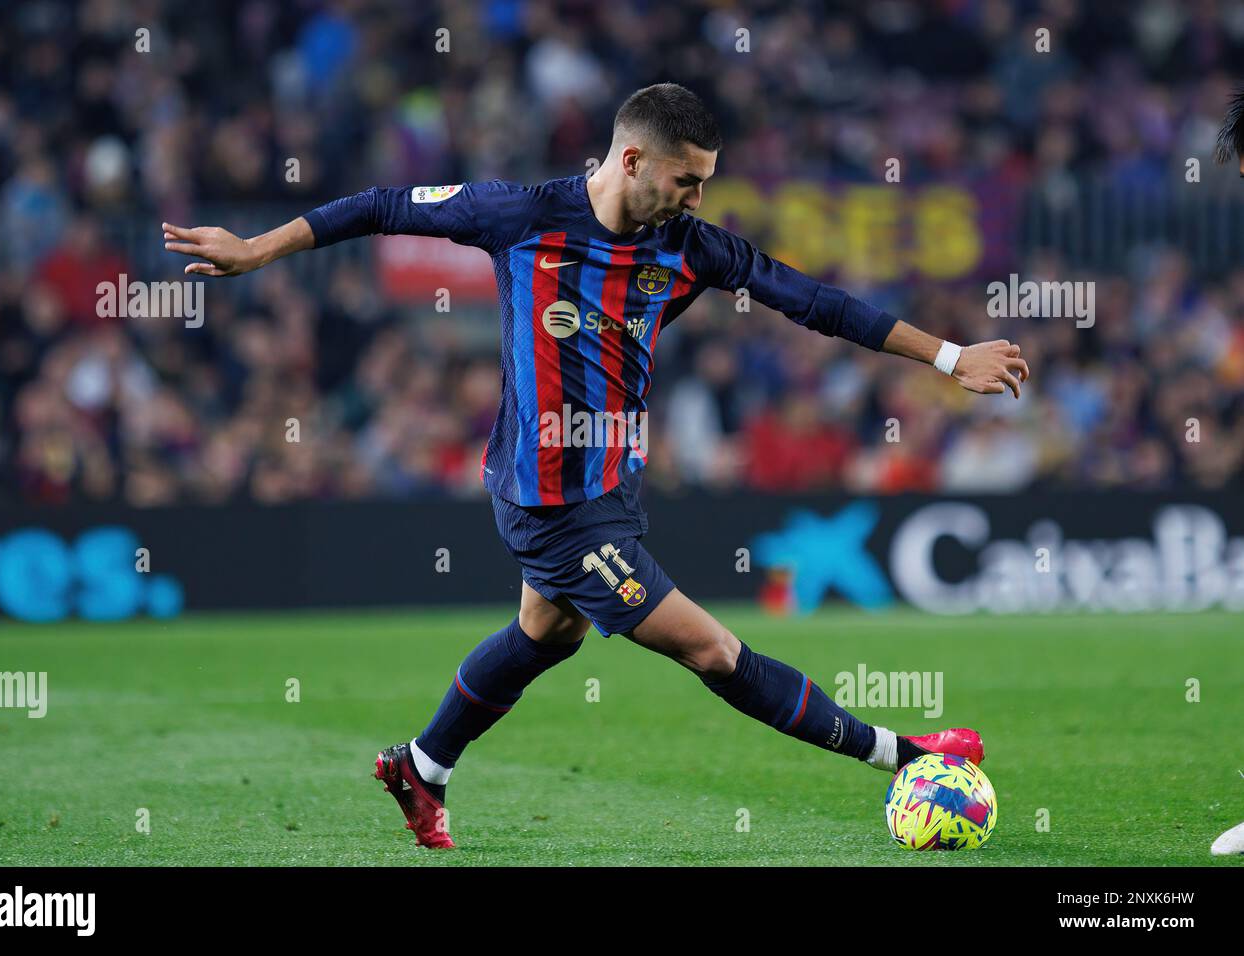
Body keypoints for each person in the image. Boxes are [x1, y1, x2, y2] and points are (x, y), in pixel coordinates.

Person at [163, 83, 1029, 849]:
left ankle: (421, 766)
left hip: (610, 487)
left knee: (546, 636)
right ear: (632, 158)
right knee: (716, 651)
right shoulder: (518, 214)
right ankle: (910, 757)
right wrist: (258, 247)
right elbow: (384, 204)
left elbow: (817, 304)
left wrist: (952, 359)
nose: (697, 196)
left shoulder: (690, 246)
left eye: (705, 182)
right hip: (548, 503)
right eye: (686, 179)